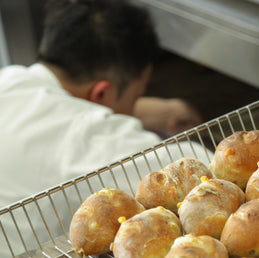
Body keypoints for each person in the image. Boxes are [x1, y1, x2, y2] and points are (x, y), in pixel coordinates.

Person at [0, 0, 204, 208]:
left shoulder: (9, 78)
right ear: (101, 93)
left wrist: (159, 111)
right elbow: (196, 170)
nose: (135, 105)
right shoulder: (85, 138)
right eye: (135, 96)